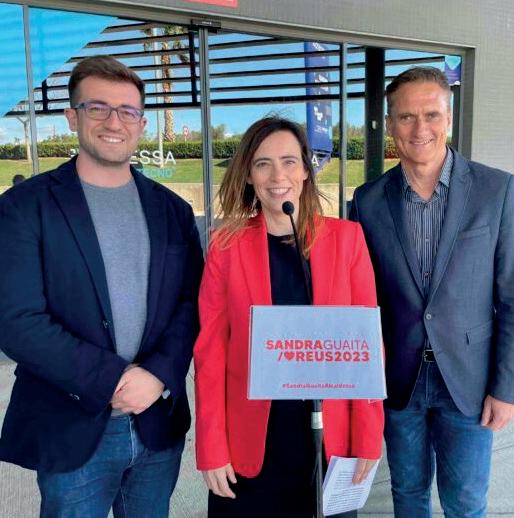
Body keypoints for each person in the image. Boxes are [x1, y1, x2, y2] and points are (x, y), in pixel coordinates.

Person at [0, 55, 203, 517]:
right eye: (98, 108)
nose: (114, 122)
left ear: (142, 124)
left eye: (127, 111)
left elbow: (191, 303)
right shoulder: (24, 207)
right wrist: (110, 378)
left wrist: (157, 375)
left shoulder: (172, 210)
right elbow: (16, 321)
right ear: (72, 117)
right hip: (71, 425)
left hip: (156, 419)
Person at [194, 116, 384, 518]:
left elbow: (368, 347)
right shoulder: (225, 246)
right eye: (263, 164)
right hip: (251, 444)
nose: (277, 176)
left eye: (289, 161)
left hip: (329, 442)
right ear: (248, 175)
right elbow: (210, 353)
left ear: (306, 170)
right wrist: (211, 446)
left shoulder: (347, 240)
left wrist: (369, 436)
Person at [350, 66, 514, 517]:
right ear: (390, 124)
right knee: (407, 494)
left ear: (449, 118)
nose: (419, 128)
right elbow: (361, 300)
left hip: (469, 381)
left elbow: (511, 298)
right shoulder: (367, 201)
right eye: (406, 117)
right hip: (398, 381)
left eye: (431, 115)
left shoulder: (496, 190)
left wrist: (506, 388)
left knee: (466, 503)